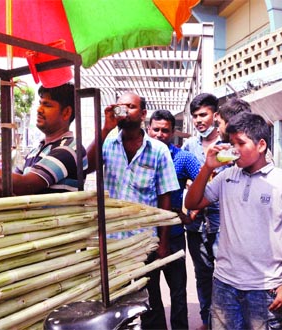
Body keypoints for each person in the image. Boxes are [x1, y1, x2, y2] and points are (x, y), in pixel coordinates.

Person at [185, 112, 282, 329]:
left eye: (241, 143)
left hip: (265, 288)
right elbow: (192, 203)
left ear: (261, 145)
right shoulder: (225, 176)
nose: (235, 149)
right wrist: (207, 168)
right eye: (232, 144)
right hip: (224, 284)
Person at [86, 92, 179, 330]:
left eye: (131, 106)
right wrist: (105, 128)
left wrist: (163, 242)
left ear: (143, 114)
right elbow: (87, 165)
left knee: (149, 302)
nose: (125, 110)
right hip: (111, 241)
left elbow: (165, 196)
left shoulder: (158, 150)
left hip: (143, 241)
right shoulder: (107, 142)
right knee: (113, 301)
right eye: (121, 106)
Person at [147, 109, 202, 330]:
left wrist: (191, 214)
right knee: (150, 295)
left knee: (178, 292)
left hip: (175, 238)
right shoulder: (140, 157)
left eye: (165, 131)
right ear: (148, 130)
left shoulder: (183, 158)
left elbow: (206, 184)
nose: (160, 134)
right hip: (143, 239)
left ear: (173, 133)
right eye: (156, 130)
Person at [181, 92, 225, 328]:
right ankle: (207, 320)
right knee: (203, 275)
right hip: (196, 225)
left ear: (215, 115)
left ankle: (226, 320)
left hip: (224, 224)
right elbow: (181, 180)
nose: (198, 120)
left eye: (203, 115)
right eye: (195, 116)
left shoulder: (228, 144)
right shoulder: (188, 146)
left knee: (227, 274)